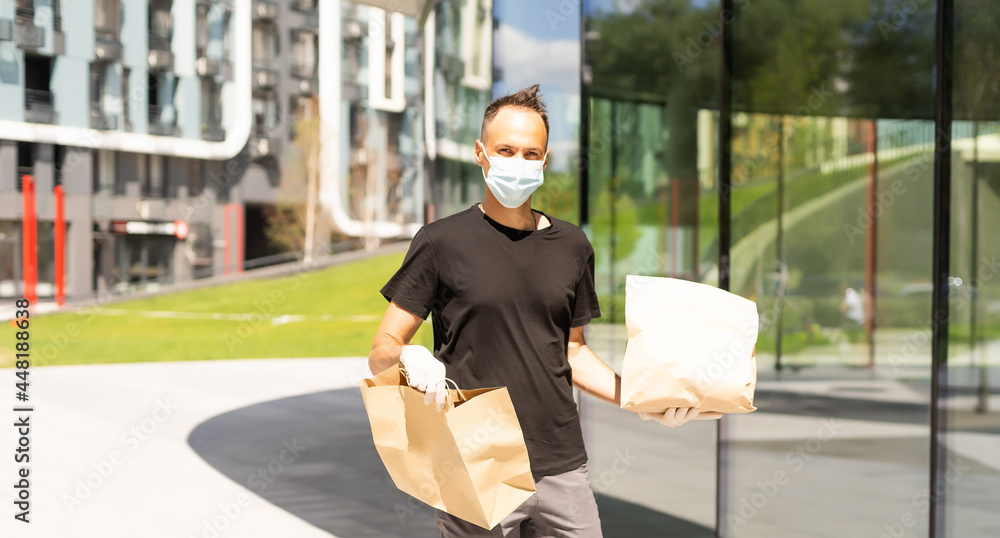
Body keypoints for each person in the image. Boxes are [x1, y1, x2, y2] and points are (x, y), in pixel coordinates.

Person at [367, 84, 721, 538]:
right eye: (506, 150)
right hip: (476, 460)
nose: (519, 162)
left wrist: (639, 399)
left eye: (531, 153)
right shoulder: (441, 242)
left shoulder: (572, 246)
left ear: (546, 160)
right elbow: (382, 347)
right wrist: (410, 358)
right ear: (481, 153)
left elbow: (573, 353)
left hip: (561, 464)